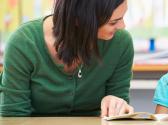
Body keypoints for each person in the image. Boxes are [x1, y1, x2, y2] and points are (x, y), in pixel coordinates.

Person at [0, 0, 134, 117]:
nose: (122, 26)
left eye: (122, 18)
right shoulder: (23, 43)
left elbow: (119, 113)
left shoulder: (121, 43)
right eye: (113, 22)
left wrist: (117, 103)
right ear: (79, 20)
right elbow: (13, 117)